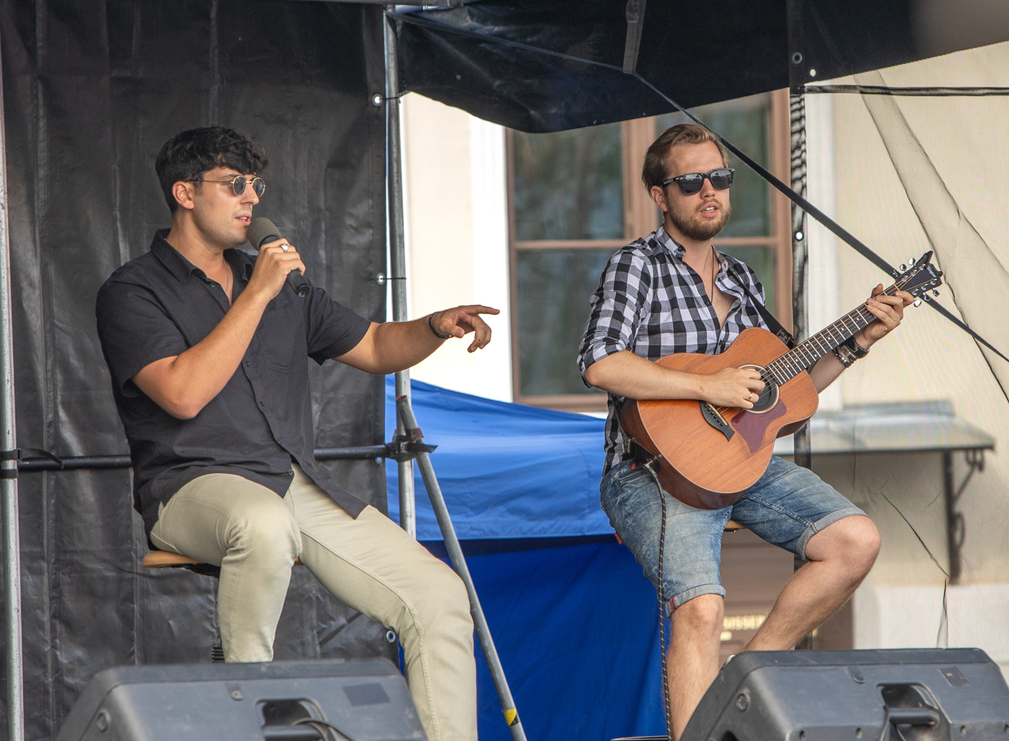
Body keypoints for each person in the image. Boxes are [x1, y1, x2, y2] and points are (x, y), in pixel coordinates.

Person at [96, 126, 497, 741]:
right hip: (191, 485)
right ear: (184, 193)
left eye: (256, 185)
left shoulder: (284, 288)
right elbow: (182, 393)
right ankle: (247, 713)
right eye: (234, 185)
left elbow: (376, 345)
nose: (251, 198)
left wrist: (435, 326)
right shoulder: (133, 291)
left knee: (438, 597)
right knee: (262, 521)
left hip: (291, 484)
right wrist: (256, 294)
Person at [578, 124, 912, 739]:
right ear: (661, 195)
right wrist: (708, 386)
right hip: (652, 473)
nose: (710, 191)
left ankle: (748, 677)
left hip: (738, 464)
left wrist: (860, 339)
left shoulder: (742, 280)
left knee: (855, 541)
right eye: (691, 181)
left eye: (720, 178)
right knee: (701, 609)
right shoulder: (637, 266)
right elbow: (599, 362)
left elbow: (788, 391)